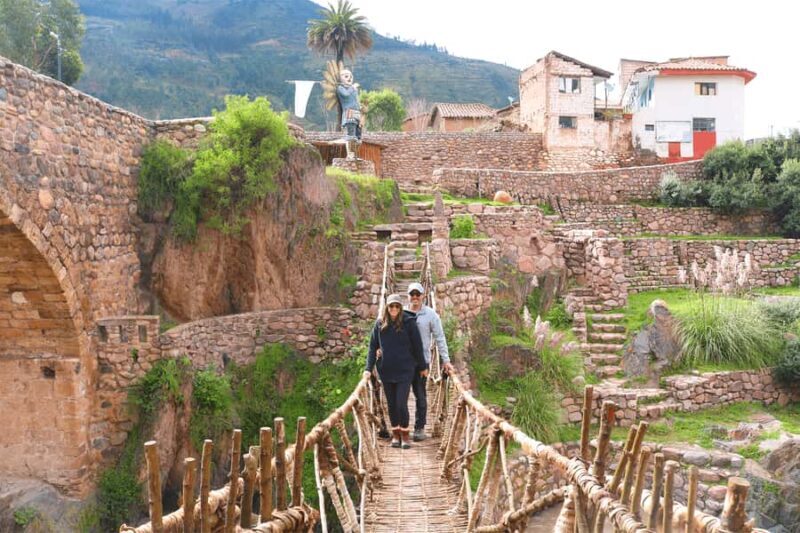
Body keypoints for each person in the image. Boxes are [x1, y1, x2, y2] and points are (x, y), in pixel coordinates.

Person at [364, 294, 428, 449]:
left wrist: (422, 367)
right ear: (387, 308)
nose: (393, 309)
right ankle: (396, 434)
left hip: (405, 370)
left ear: (400, 308)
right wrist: (368, 369)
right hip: (386, 370)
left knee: (401, 403)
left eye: (396, 306)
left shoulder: (409, 323)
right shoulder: (379, 325)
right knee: (392, 405)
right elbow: (373, 348)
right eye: (391, 306)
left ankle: (405, 434)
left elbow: (417, 346)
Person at [403, 282, 454, 442]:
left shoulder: (431, 315)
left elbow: (440, 337)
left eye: (418, 294)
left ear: (423, 296)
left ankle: (419, 428)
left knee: (420, 395)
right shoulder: (400, 312)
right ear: (408, 296)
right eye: (412, 294)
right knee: (401, 396)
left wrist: (446, 360)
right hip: (403, 362)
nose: (415, 297)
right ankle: (403, 428)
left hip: (422, 363)